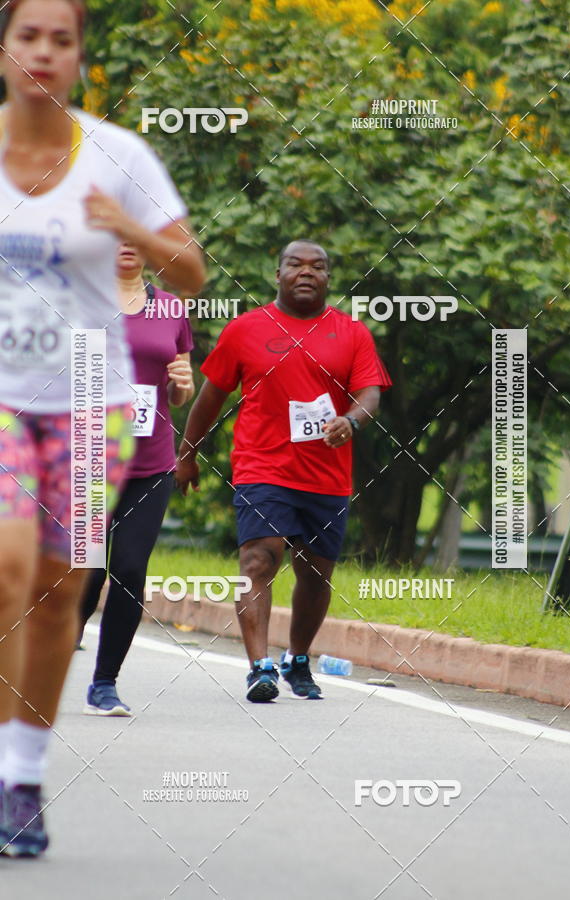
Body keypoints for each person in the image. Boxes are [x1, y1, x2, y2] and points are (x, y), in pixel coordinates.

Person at [0, 0, 205, 858]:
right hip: (4, 399)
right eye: (28, 36)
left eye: (62, 39)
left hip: (95, 406)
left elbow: (191, 274)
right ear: (4, 48)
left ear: (81, 55)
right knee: (9, 570)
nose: (44, 52)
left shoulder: (121, 156)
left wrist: (127, 227)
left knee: (58, 593)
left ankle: (22, 776)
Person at [176, 239, 390, 703]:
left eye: (318, 266)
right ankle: (260, 667)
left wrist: (351, 421)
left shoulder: (352, 333)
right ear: (278, 275)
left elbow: (370, 393)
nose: (306, 272)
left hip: (326, 475)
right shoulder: (245, 329)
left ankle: (297, 657)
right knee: (258, 560)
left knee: (315, 575)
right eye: (295, 264)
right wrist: (187, 455)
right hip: (262, 466)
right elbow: (211, 396)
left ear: (328, 278)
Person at [79, 242, 195, 716]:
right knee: (85, 572)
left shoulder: (170, 308)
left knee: (129, 570)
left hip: (151, 463)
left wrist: (182, 386)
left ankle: (104, 684)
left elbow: (178, 390)